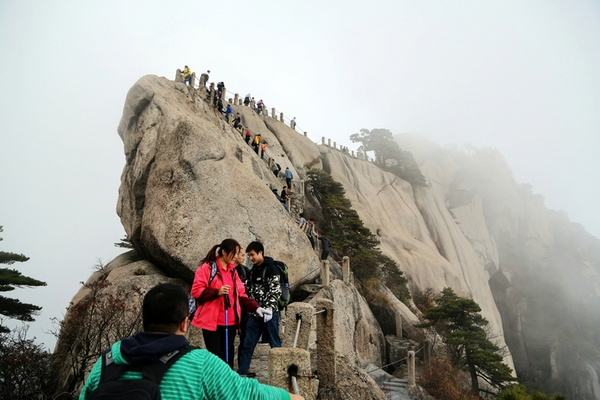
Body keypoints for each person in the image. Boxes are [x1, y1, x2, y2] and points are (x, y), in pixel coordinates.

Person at [79, 283, 304, 400]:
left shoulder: (106, 362)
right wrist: (293, 396)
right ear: (185, 322)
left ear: (145, 319)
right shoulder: (200, 364)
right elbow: (248, 394)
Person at [190, 239, 269, 369]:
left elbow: (241, 295)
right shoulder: (207, 268)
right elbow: (197, 291)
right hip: (212, 323)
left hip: (230, 322)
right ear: (224, 252)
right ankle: (215, 387)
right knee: (215, 359)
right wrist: (217, 292)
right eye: (234, 253)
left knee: (228, 358)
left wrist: (256, 308)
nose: (237, 257)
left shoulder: (233, 271)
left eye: (238, 253)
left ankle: (228, 386)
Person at [237, 241, 283, 377]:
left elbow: (275, 291)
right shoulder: (252, 272)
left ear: (260, 252)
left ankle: (281, 374)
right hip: (255, 314)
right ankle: (242, 373)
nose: (250, 258)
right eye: (249, 256)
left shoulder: (272, 269)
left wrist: (269, 309)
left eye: (252, 255)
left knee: (275, 345)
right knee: (247, 344)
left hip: (269, 314)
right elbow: (248, 290)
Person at [233, 247, 251, 368]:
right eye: (242, 255)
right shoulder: (227, 270)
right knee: (228, 342)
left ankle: (242, 366)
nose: (244, 258)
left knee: (244, 339)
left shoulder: (245, 270)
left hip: (243, 310)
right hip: (230, 310)